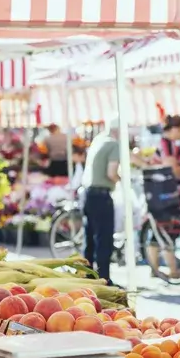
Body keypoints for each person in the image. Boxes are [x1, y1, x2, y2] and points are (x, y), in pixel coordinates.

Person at [82, 118, 122, 285]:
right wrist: (122, 180)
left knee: (90, 238)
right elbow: (111, 172)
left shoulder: (98, 141)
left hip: (88, 194)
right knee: (104, 239)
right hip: (102, 195)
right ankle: (104, 278)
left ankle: (88, 275)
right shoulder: (114, 144)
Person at [150, 115, 180, 279]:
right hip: (167, 194)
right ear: (174, 129)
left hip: (163, 193)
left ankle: (155, 268)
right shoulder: (167, 145)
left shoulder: (168, 144)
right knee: (167, 230)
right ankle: (173, 270)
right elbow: (171, 169)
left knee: (158, 231)